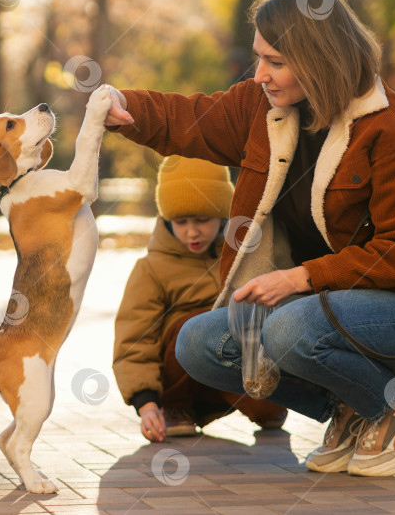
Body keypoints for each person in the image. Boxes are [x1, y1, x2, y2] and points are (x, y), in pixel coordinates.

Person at [102, 0, 395, 476]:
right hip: (326, 301)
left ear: (319, 59)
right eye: (259, 58)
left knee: (287, 327)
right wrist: (127, 106)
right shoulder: (263, 109)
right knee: (201, 344)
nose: (260, 76)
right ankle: (351, 411)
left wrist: (301, 278)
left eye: (275, 61)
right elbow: (192, 119)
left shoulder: (393, 133)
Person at [113, 156, 288, 442]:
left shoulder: (240, 255)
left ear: (222, 215)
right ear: (167, 221)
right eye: (181, 222)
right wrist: (146, 403)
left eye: (202, 220)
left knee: (269, 411)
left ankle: (262, 402)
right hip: (177, 377)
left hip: (227, 367)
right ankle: (177, 409)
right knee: (191, 325)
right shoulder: (151, 268)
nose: (192, 232)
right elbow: (134, 338)